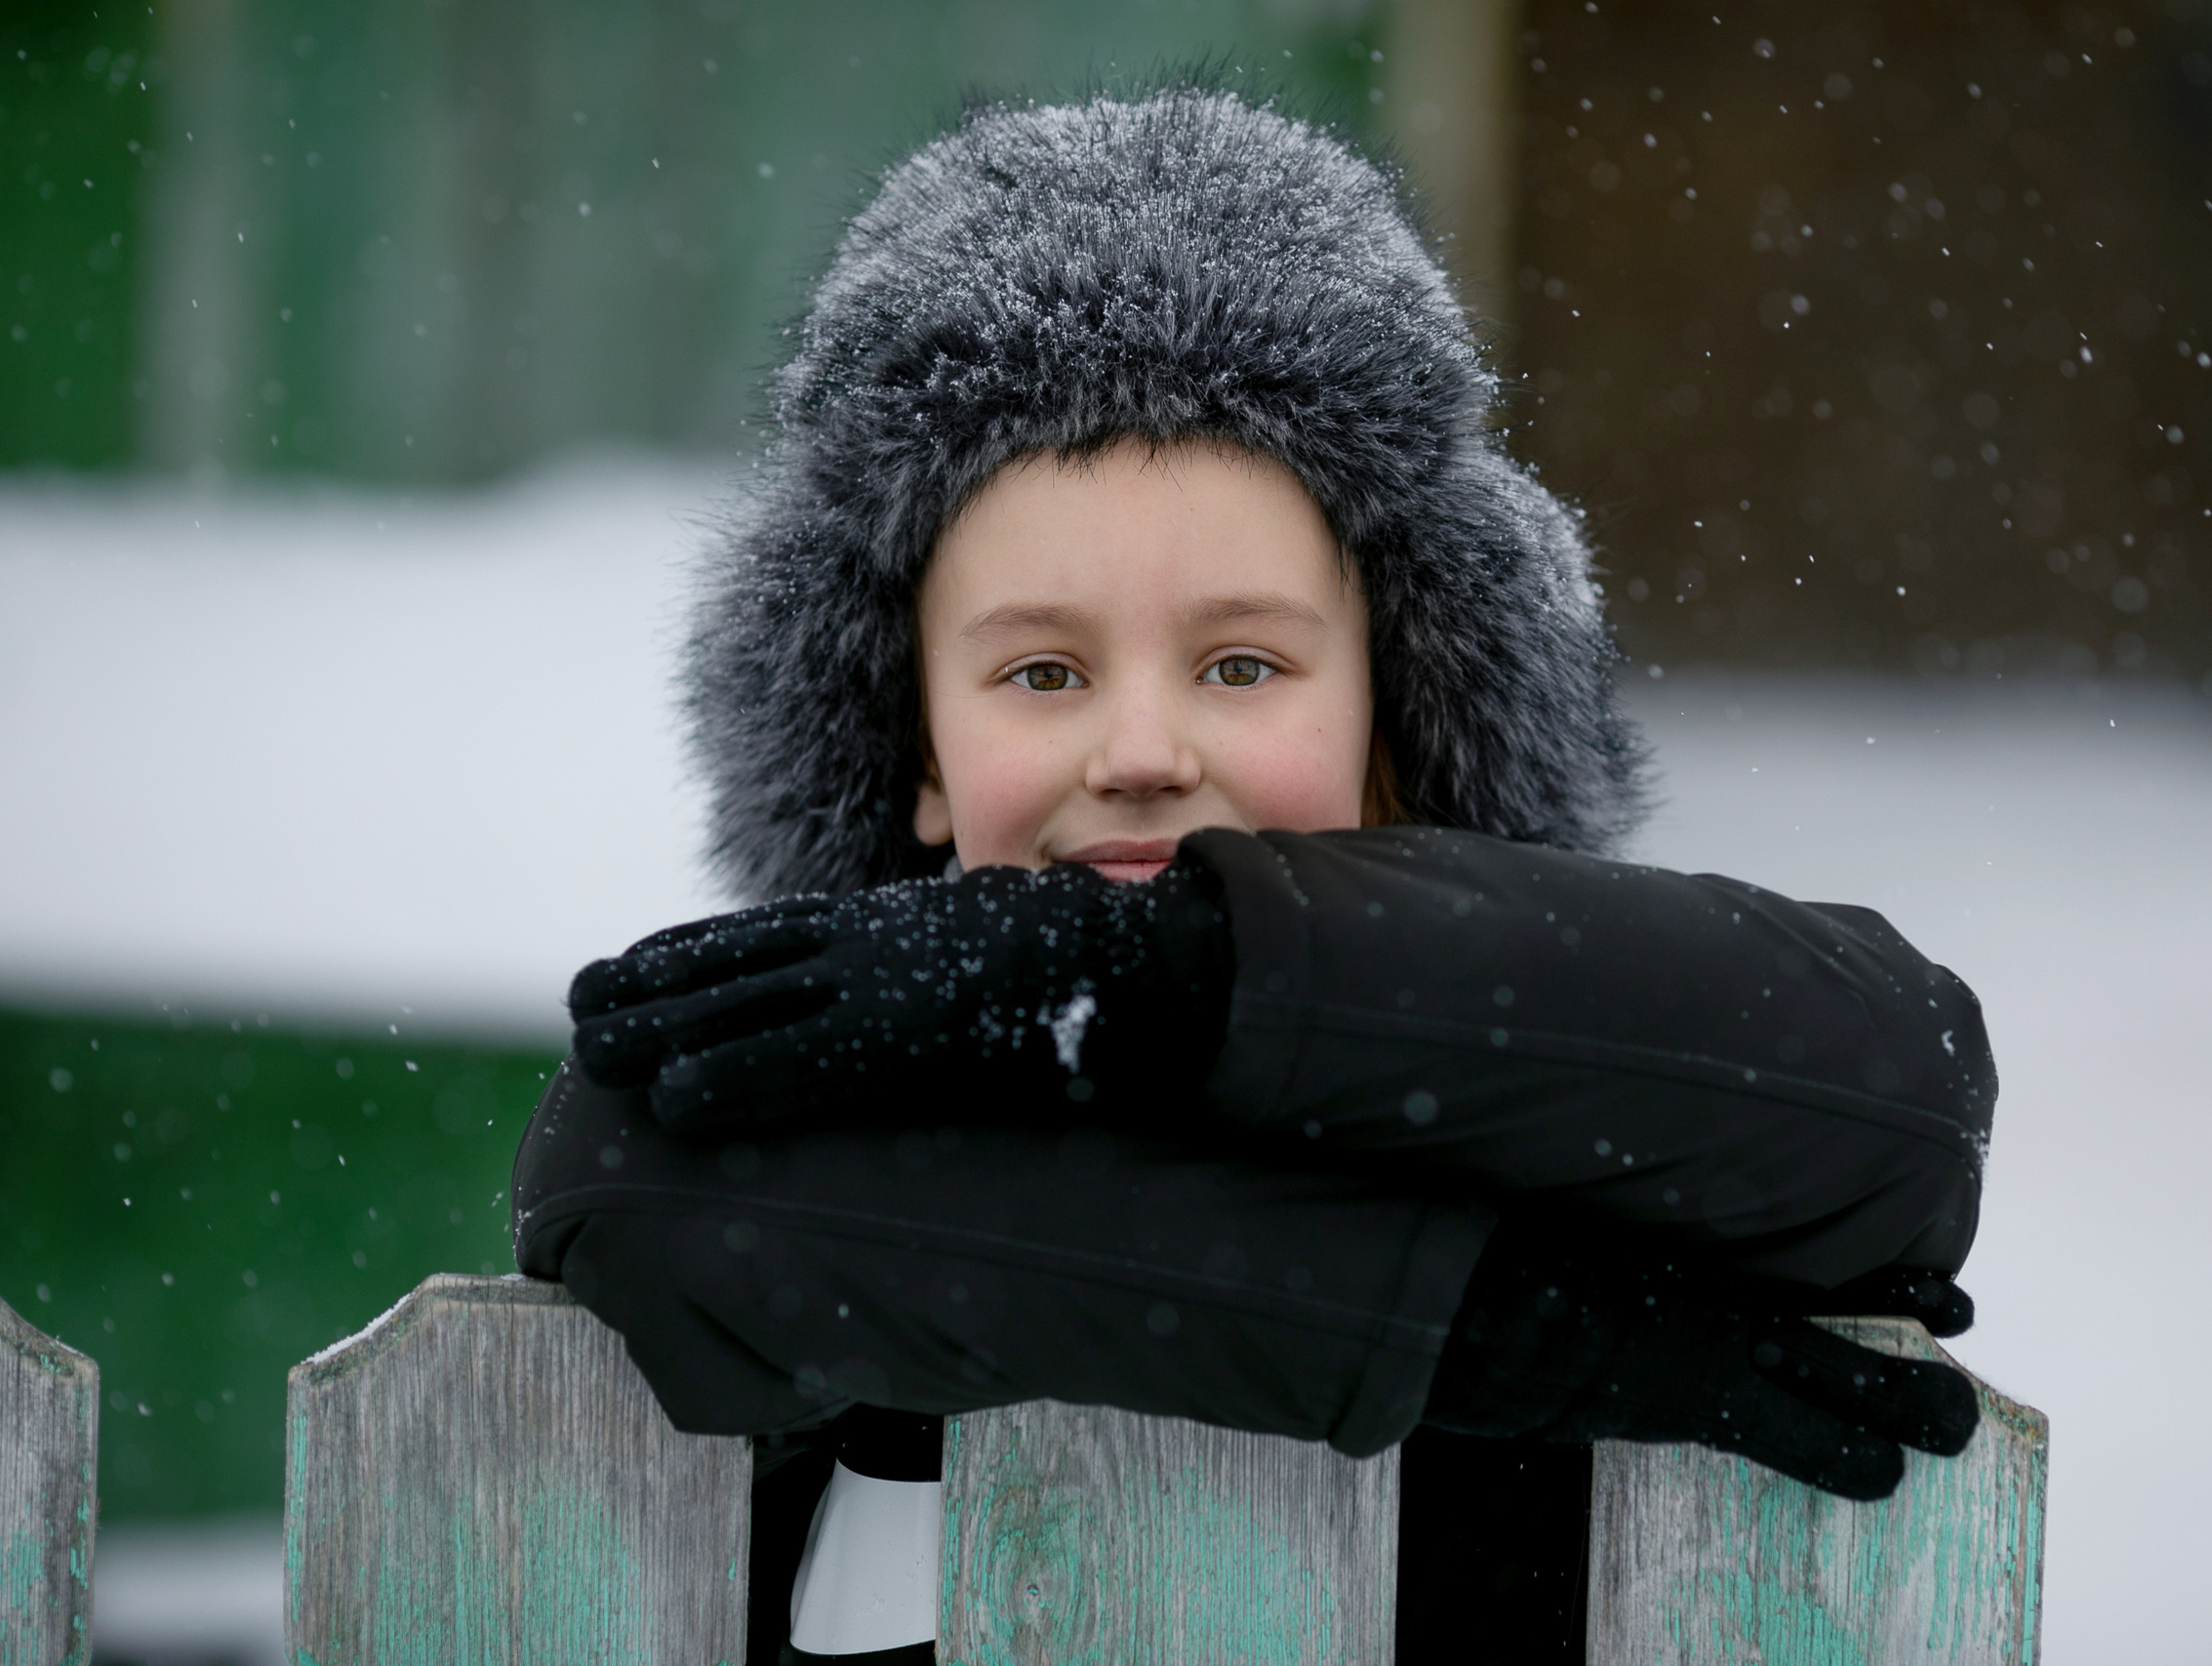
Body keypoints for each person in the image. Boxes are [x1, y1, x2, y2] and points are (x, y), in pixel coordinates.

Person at [510, 84, 1996, 1665]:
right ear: (919, 753)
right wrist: (1482, 1322)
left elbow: (1898, 1097)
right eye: (1041, 674)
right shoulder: (794, 1123)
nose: (1143, 750)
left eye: (1240, 665)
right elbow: (623, 1170)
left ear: (1396, 712)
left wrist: (1143, 975)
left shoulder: (1560, 1083)